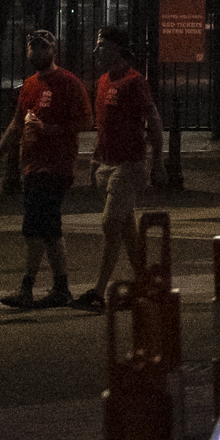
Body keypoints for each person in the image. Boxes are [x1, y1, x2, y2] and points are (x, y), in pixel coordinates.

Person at [1, 31, 89, 310]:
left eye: (43, 47)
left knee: (35, 229)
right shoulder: (28, 85)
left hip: (55, 166)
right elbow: (16, 125)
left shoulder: (68, 83)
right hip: (33, 165)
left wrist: (49, 130)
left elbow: (86, 122)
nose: (36, 53)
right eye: (32, 48)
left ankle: (27, 287)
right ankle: (61, 287)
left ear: (53, 50)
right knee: (50, 229)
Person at [79, 26, 162, 310]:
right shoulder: (103, 81)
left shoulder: (134, 81)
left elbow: (153, 119)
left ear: (116, 48)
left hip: (129, 164)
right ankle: (146, 286)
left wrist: (158, 161)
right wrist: (95, 159)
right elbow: (104, 125)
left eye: (101, 45)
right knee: (127, 230)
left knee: (110, 224)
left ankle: (98, 291)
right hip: (109, 163)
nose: (96, 51)